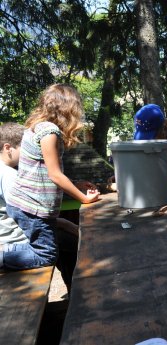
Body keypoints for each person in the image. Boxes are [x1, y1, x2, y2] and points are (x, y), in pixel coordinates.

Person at [3, 84, 100, 279]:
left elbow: (46, 171)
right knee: (46, 255)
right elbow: (55, 175)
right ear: (68, 109)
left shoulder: (38, 126)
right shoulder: (50, 133)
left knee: (54, 246)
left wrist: (76, 183)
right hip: (31, 208)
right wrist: (83, 198)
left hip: (26, 205)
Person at [0, 122, 83, 291]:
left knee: (68, 241)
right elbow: (29, 214)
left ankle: (74, 291)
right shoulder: (9, 176)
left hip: (24, 234)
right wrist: (69, 225)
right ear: (8, 148)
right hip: (21, 241)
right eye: (25, 148)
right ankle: (78, 292)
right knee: (74, 245)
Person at [134, 104, 167, 188]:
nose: (147, 141)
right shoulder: (140, 133)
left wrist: (152, 185)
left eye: (150, 136)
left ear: (162, 128)